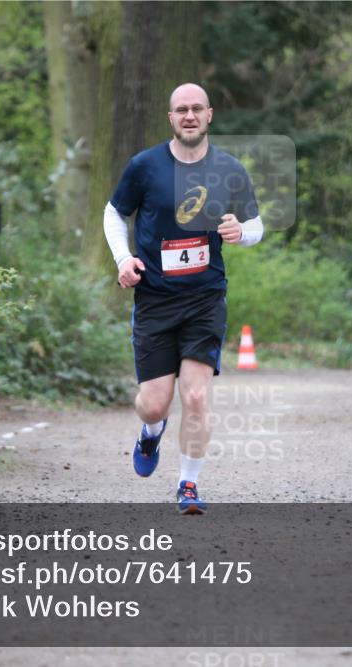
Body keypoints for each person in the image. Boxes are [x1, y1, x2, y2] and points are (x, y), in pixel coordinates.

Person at [102, 83, 263, 514]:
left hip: (205, 298)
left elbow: (256, 224)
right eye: (180, 110)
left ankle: (188, 485)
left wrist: (241, 233)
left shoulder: (229, 169)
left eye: (196, 109)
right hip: (154, 299)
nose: (189, 116)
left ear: (209, 114)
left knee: (195, 396)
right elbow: (115, 212)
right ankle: (150, 432)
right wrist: (123, 259)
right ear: (171, 118)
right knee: (154, 404)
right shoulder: (145, 166)